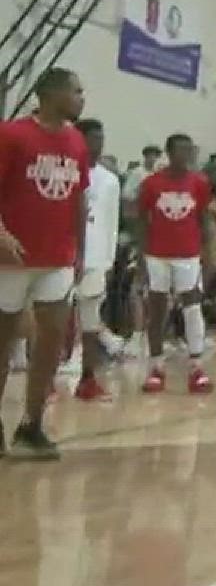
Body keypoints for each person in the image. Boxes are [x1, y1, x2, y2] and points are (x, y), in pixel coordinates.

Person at [0, 68, 92, 458]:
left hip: (56, 258)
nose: (82, 98)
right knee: (2, 342)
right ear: (51, 94)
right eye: (77, 90)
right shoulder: (12, 135)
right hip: (11, 258)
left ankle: (31, 425)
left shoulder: (76, 142)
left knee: (52, 339)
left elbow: (79, 200)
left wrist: (80, 253)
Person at [136, 133, 216, 394]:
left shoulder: (199, 182)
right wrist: (140, 257)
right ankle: (156, 367)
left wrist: (209, 252)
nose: (186, 155)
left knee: (192, 308)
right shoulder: (151, 184)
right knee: (157, 310)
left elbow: (203, 218)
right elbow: (140, 221)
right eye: (181, 150)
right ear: (169, 153)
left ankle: (196, 367)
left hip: (188, 255)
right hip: (156, 255)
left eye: (189, 150)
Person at [72, 118, 118, 402]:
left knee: (90, 322)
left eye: (102, 139)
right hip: (63, 256)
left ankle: (87, 379)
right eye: (93, 139)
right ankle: (48, 380)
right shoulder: (65, 171)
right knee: (53, 321)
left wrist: (109, 260)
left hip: (95, 258)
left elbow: (110, 223)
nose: (98, 144)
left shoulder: (110, 180)